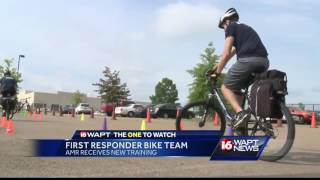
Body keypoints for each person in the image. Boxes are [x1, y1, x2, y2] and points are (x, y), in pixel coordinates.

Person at [209, 8, 269, 128]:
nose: (224, 29)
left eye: (223, 26)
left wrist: (217, 74)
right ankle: (242, 127)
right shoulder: (245, 29)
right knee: (237, 90)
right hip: (263, 63)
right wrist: (215, 67)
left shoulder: (231, 27)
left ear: (227, 21)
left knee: (225, 87)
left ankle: (241, 113)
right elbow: (231, 53)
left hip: (249, 61)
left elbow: (225, 53)